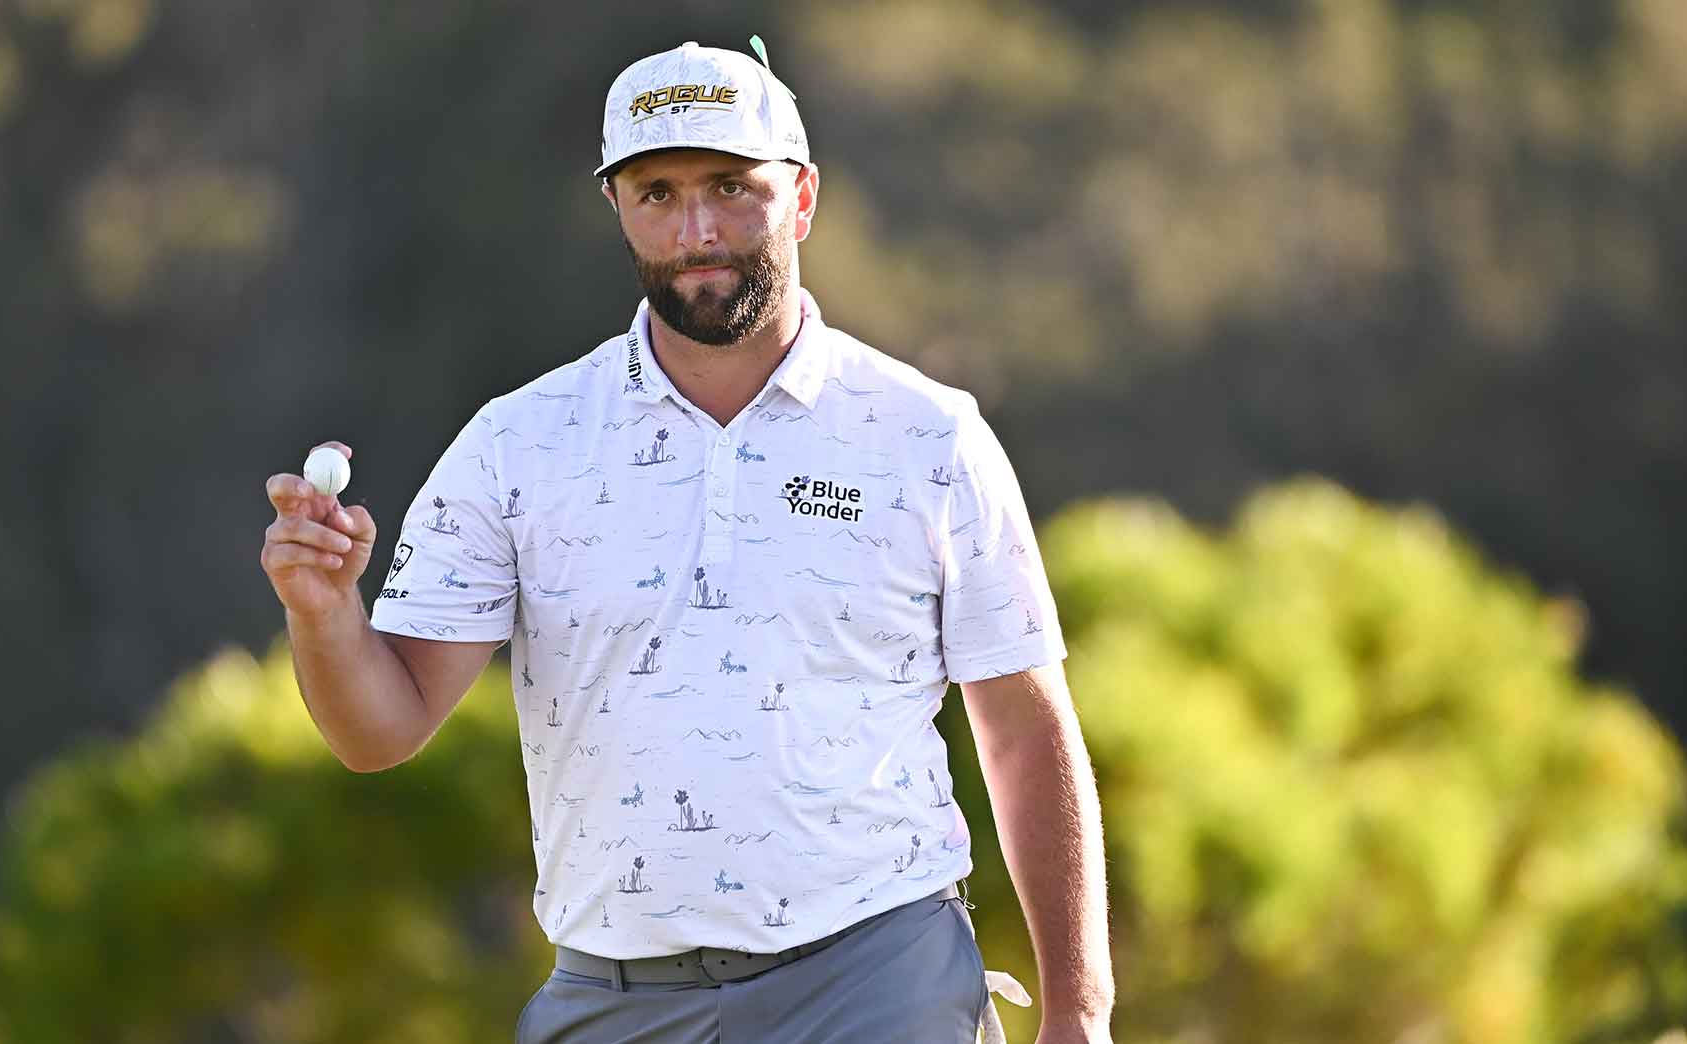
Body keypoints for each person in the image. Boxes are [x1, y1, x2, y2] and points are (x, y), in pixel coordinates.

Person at [260, 38, 1113, 1044]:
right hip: (613, 994)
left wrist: (1078, 1014)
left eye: (729, 187)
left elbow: (1022, 732)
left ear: (800, 198)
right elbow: (378, 732)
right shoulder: (517, 445)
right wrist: (323, 615)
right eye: (656, 193)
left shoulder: (926, 437)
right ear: (617, 209)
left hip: (875, 976)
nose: (698, 229)